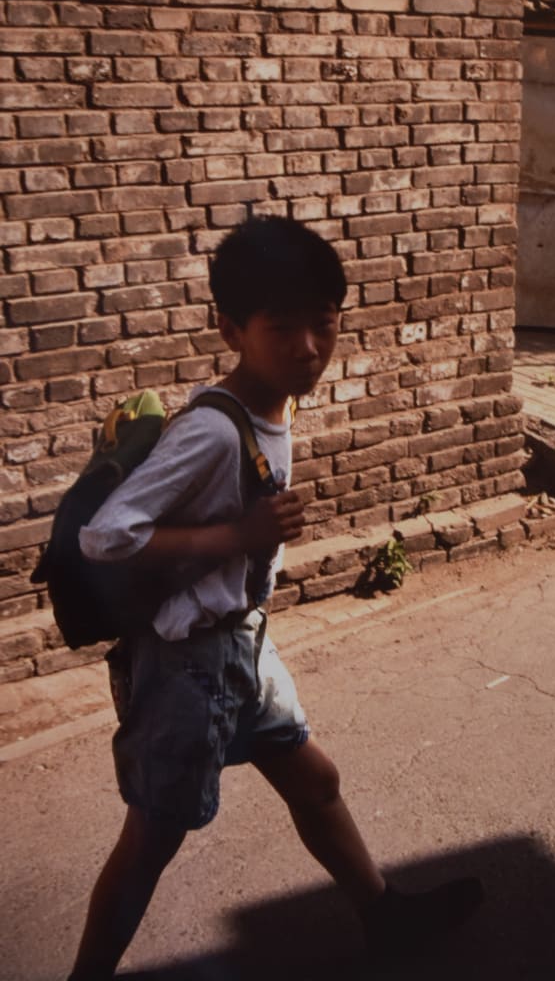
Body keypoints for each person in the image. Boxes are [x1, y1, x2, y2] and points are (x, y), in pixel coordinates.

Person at [68, 215, 482, 980]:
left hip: (243, 646)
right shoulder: (213, 432)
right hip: (188, 668)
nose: (308, 347)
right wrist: (237, 535)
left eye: (324, 324)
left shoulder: (275, 404)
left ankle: (384, 915)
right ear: (232, 331)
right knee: (151, 840)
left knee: (315, 782)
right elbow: (105, 537)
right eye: (282, 327)